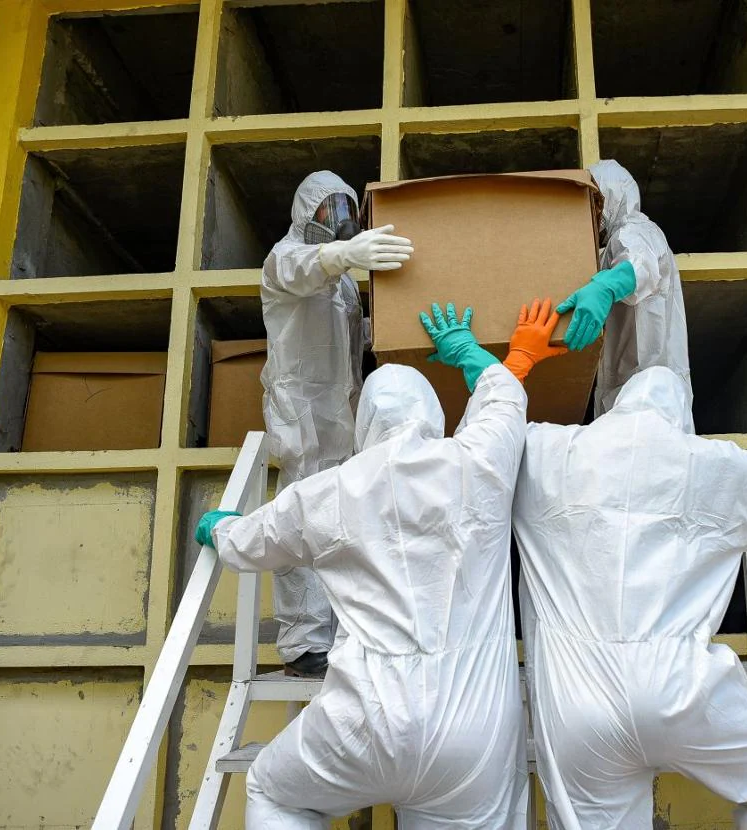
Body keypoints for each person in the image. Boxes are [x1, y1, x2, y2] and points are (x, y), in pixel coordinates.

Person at [195, 300, 563, 829]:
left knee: (276, 794)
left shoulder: (326, 491)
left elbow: (248, 544)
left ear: (363, 422)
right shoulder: (476, 462)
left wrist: (218, 527)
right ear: (433, 415)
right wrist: (465, 350)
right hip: (473, 732)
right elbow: (503, 396)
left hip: (361, 722)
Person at [512, 365, 747, 830]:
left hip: (577, 702)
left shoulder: (549, 451)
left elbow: (488, 447)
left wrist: (503, 368)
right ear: (680, 412)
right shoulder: (720, 465)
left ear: (617, 405)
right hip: (681, 690)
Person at [258, 170, 413, 677]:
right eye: (330, 211)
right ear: (308, 213)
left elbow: (353, 333)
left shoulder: (343, 280)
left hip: (338, 409)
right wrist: (342, 254)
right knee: (300, 517)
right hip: (300, 408)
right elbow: (304, 270)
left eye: (346, 209)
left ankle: (337, 638)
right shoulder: (285, 257)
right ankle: (302, 644)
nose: (340, 221)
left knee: (339, 521)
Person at [557, 159, 692, 416]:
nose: (592, 210)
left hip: (650, 397)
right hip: (635, 396)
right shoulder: (612, 246)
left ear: (613, 195)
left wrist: (606, 286)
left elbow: (640, 265)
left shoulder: (637, 230)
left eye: (596, 199)